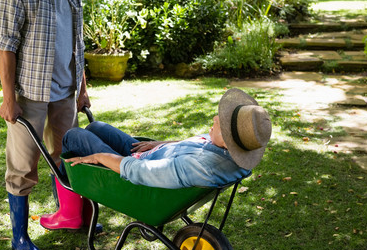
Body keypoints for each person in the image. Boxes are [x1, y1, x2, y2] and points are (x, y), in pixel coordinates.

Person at [0, 0, 93, 250]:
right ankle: (19, 237)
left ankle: (69, 215)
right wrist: (9, 99)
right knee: (22, 167)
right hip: (29, 94)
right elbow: (6, 46)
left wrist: (81, 88)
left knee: (69, 155)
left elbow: (76, 42)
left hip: (65, 91)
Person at [39, 88, 272, 230]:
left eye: (219, 122)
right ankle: (82, 210)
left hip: (132, 173)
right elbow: (193, 144)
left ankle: (69, 213)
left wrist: (101, 157)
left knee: (73, 136)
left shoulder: (199, 167)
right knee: (96, 126)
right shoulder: (230, 153)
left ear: (229, 139)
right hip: (145, 155)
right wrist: (160, 144)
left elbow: (141, 173)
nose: (214, 118)